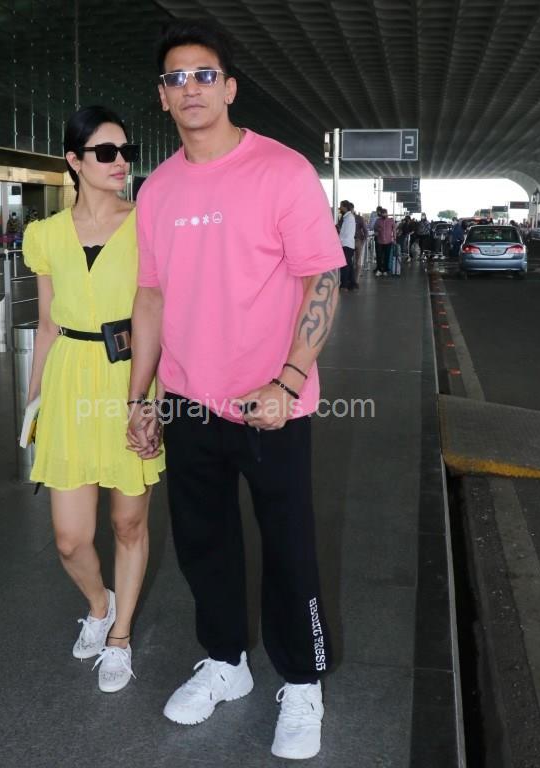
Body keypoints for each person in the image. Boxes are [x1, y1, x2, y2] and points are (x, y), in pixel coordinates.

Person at [127, 18, 345, 761]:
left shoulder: (281, 170)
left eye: (204, 74)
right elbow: (151, 297)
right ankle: (226, 663)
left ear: (229, 88)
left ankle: (303, 682)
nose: (190, 87)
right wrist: (141, 396)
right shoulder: (157, 190)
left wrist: (289, 379)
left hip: (271, 401)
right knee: (203, 544)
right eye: (175, 78)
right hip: (189, 401)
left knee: (289, 548)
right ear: (162, 97)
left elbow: (323, 279)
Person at [23, 106, 164, 694]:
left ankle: (120, 637)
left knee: (128, 522)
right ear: (74, 161)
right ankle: (100, 604)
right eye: (106, 152)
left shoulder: (147, 224)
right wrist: (33, 402)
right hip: (68, 383)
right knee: (70, 538)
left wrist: (149, 399)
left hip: (129, 377)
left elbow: (158, 314)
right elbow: (47, 324)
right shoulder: (44, 235)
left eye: (126, 151)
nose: (121, 161)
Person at [338, 199, 356, 290]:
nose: (340, 208)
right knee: (349, 265)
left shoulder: (349, 218)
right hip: (347, 244)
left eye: (341, 206)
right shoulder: (347, 217)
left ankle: (344, 284)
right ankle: (352, 283)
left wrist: (339, 241)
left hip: (346, 244)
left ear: (345, 207)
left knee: (345, 265)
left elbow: (346, 233)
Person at [373, 207, 395, 275]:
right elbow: (374, 228)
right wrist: (378, 230)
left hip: (388, 241)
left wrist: (394, 239)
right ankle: (379, 270)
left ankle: (385, 270)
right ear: (381, 214)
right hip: (380, 241)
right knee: (379, 256)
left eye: (385, 213)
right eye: (383, 213)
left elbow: (394, 230)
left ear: (387, 213)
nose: (384, 214)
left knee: (387, 256)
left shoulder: (391, 221)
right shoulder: (378, 221)